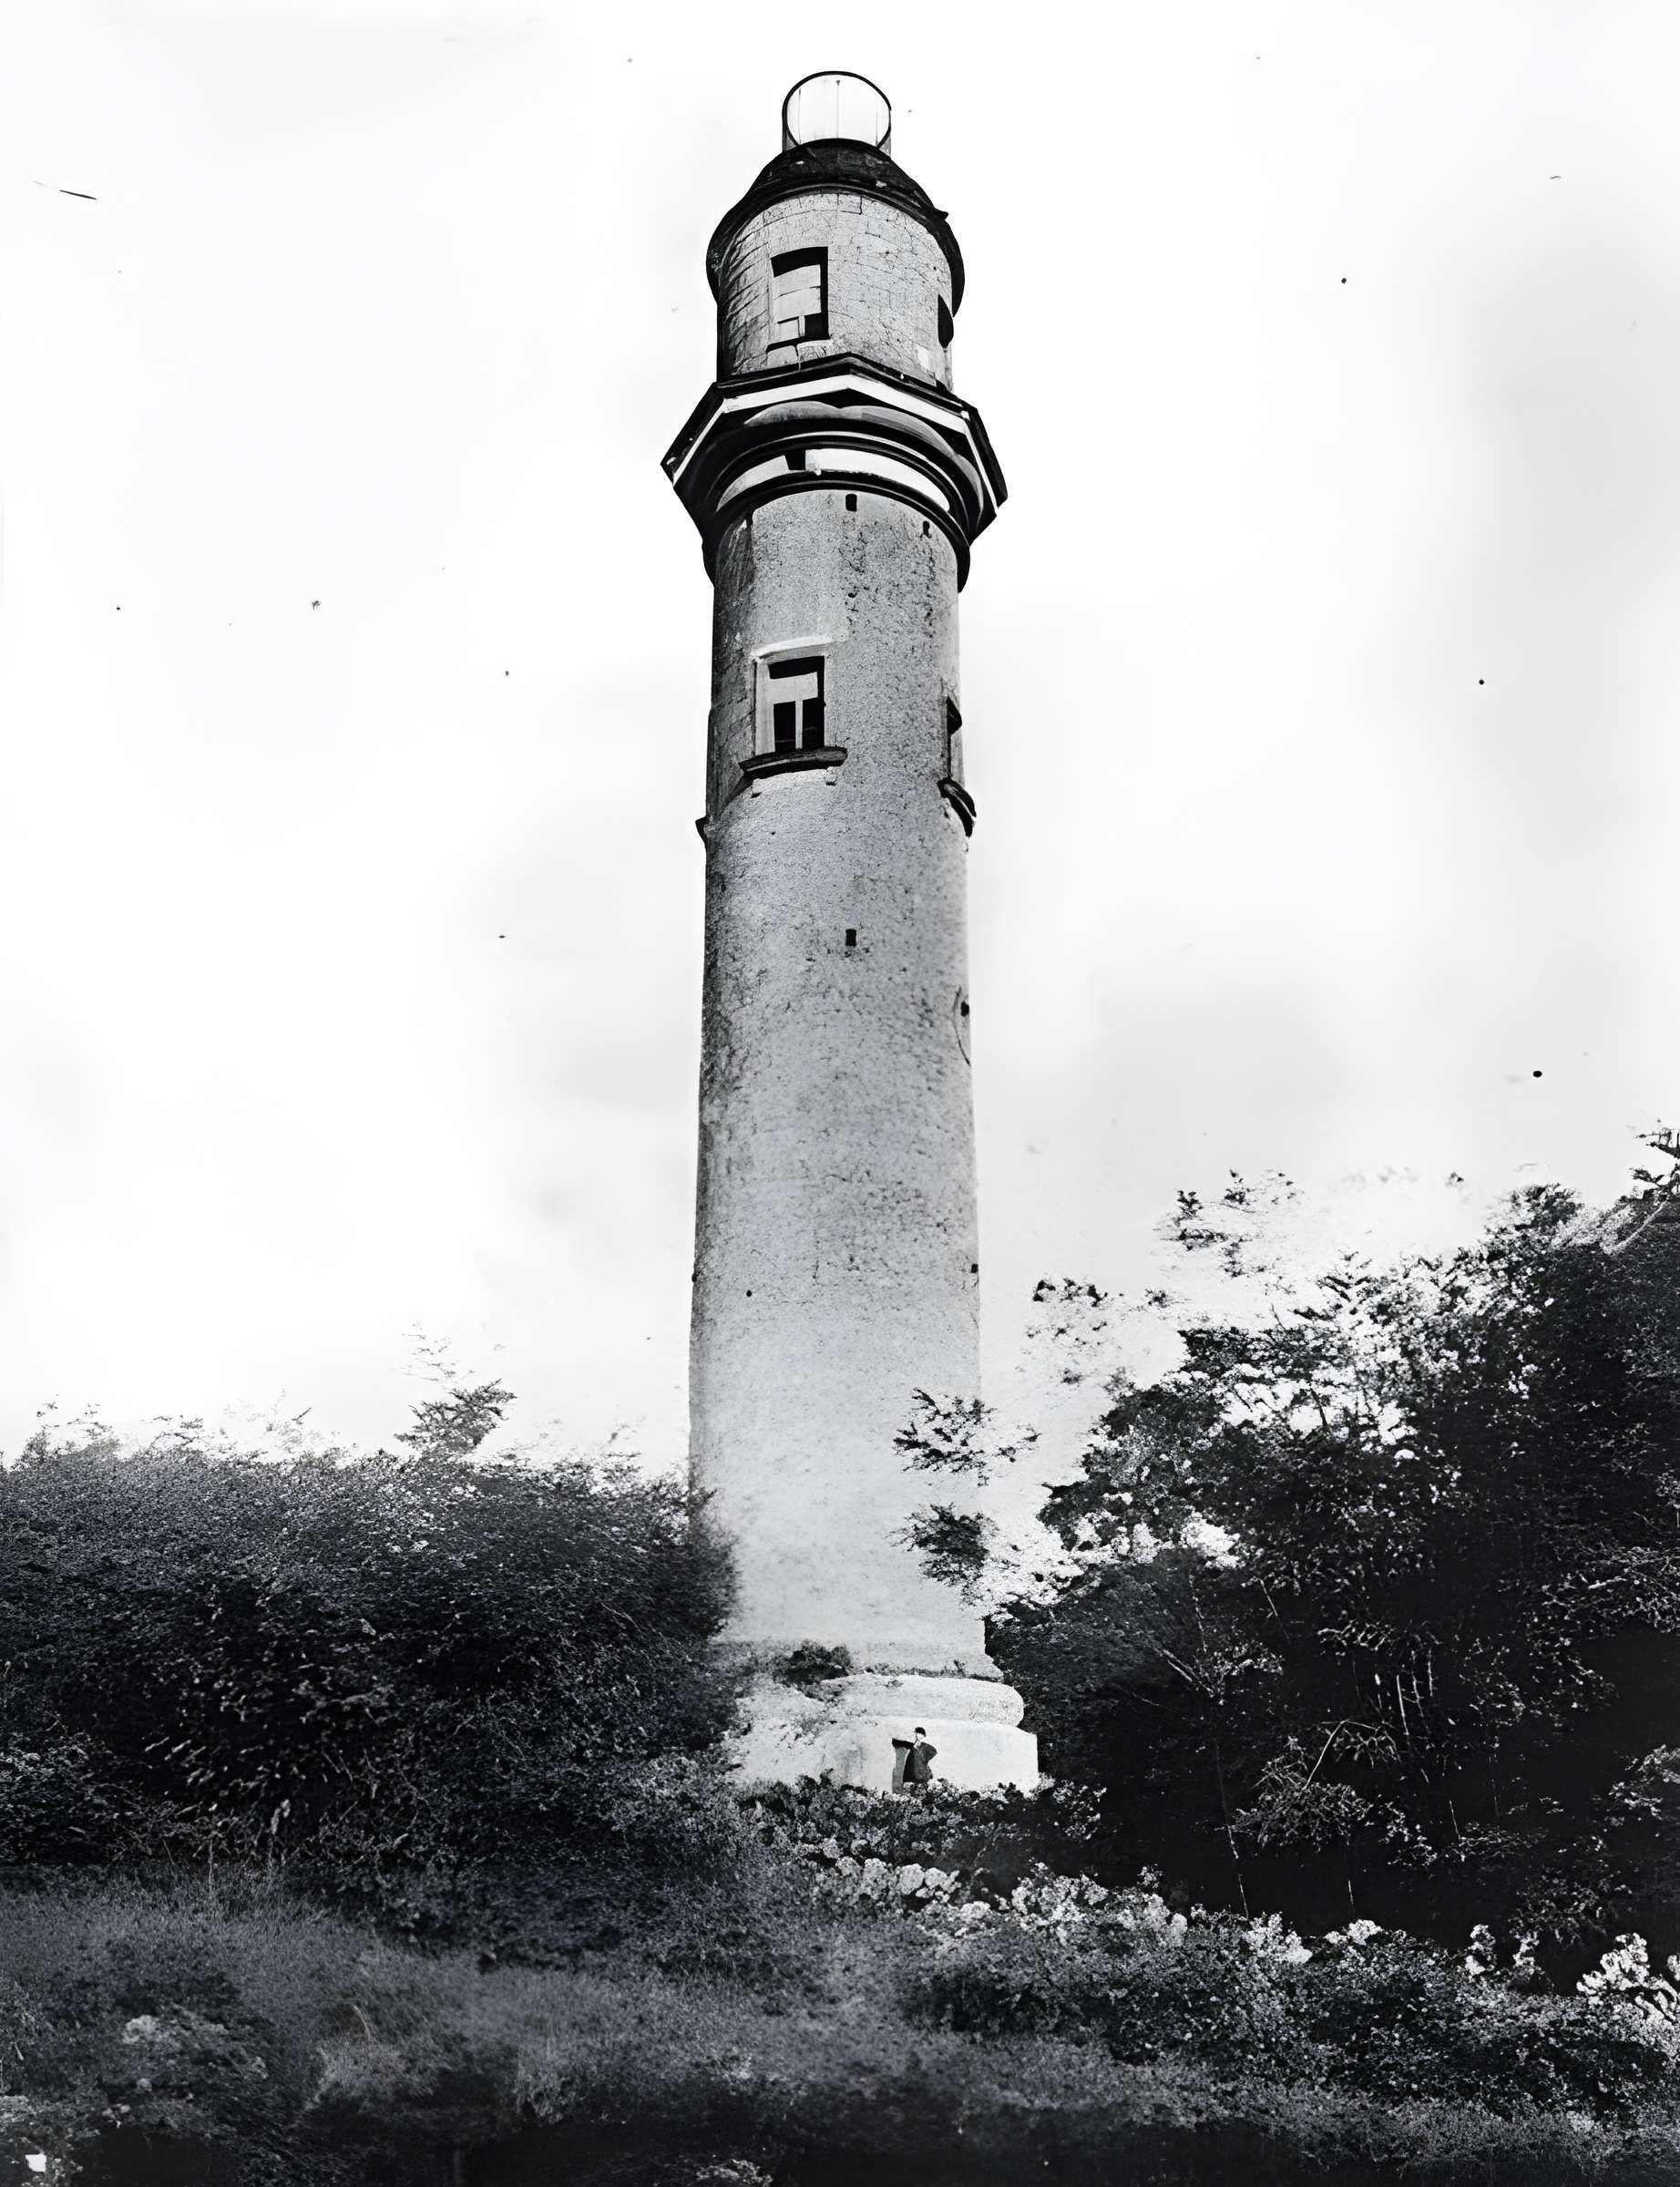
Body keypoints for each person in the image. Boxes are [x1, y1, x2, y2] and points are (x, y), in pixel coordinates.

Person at [891, 1725, 937, 1794]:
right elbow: (905, 1744)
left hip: (920, 1769)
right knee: (910, 1784)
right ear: (916, 1734)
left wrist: (925, 1759)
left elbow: (933, 1751)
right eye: (918, 1733)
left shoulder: (925, 1746)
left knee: (920, 1785)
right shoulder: (913, 1745)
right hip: (911, 1767)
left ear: (924, 1736)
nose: (920, 1735)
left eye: (921, 1734)